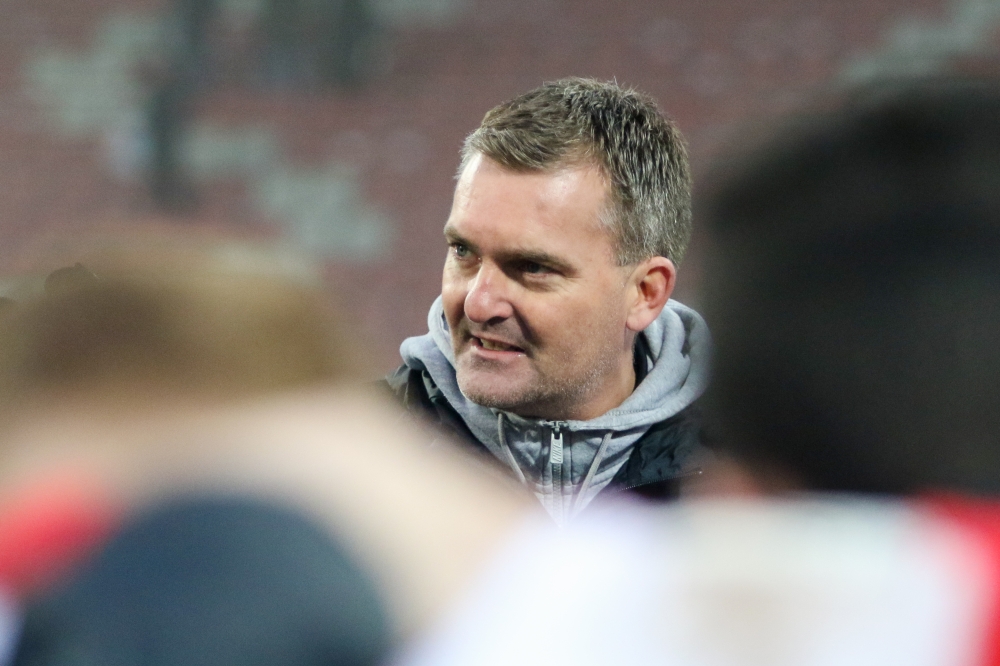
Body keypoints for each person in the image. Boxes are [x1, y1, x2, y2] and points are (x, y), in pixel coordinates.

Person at [386, 78, 711, 522]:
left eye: (533, 268)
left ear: (644, 293)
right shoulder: (350, 454)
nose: (478, 305)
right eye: (463, 251)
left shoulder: (764, 470)